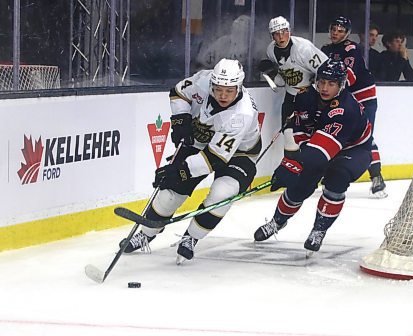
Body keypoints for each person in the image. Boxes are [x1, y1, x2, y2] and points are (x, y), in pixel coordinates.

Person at [121, 58, 262, 264]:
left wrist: (177, 171)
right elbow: (178, 92)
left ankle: (191, 238)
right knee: (169, 193)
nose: (223, 95)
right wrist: (181, 121)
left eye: (229, 91)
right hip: (201, 142)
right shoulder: (203, 80)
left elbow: (214, 159)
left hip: (240, 154)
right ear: (212, 83)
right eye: (218, 89)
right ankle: (146, 233)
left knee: (222, 195)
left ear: (239, 87)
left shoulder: (241, 114)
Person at [253, 59, 373, 254]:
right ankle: (277, 221)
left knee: (336, 180)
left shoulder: (346, 109)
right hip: (321, 144)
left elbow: (318, 156)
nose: (324, 88)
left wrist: (289, 166)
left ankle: (319, 229)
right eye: (322, 81)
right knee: (300, 186)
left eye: (331, 83)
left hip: (353, 150)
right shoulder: (306, 96)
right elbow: (302, 131)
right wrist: (292, 163)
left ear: (341, 85)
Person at [321, 16, 387, 197]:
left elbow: (349, 78)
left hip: (364, 99)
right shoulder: (326, 50)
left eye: (340, 30)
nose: (336, 32)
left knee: (365, 137)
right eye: (334, 29)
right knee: (338, 134)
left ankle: (376, 177)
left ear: (347, 33)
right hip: (346, 100)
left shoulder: (351, 49)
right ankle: (332, 173)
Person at [258, 16, 328, 158]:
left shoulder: (304, 48)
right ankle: (291, 169)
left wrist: (319, 93)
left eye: (284, 32)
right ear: (272, 36)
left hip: (309, 95)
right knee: (288, 134)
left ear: (290, 31)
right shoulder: (271, 50)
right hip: (290, 96)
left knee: (310, 133)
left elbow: (326, 70)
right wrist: (272, 73)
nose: (281, 36)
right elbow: (281, 82)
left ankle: (313, 166)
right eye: (277, 33)